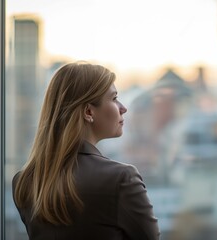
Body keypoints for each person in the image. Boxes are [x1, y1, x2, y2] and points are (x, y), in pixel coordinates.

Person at [12, 61, 160, 240]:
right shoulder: (121, 179)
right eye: (114, 99)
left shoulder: (25, 181)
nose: (123, 108)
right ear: (89, 112)